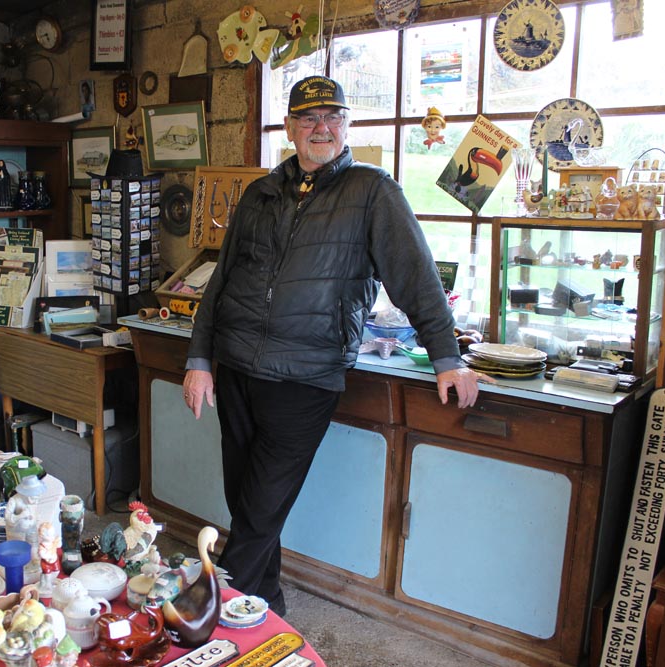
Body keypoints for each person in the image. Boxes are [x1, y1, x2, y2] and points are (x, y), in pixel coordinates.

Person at [182, 75, 486, 617]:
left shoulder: (372, 191)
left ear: (347, 124)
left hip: (305, 376)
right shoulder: (261, 193)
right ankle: (265, 605)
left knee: (258, 512)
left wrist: (446, 356)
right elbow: (222, 280)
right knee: (250, 503)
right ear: (291, 128)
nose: (321, 128)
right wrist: (199, 359)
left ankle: (207, 613)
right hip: (235, 371)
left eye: (333, 117)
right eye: (308, 118)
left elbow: (415, 276)